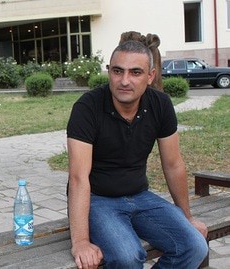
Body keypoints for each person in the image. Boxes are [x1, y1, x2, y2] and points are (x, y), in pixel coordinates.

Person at [66, 40, 209, 269]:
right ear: (109, 71)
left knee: (195, 246)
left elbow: (173, 165)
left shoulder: (160, 104)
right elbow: (78, 177)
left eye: (135, 72)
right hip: (98, 200)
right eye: (117, 71)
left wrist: (187, 217)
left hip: (140, 196)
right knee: (128, 257)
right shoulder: (87, 107)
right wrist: (81, 241)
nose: (124, 81)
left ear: (150, 76)